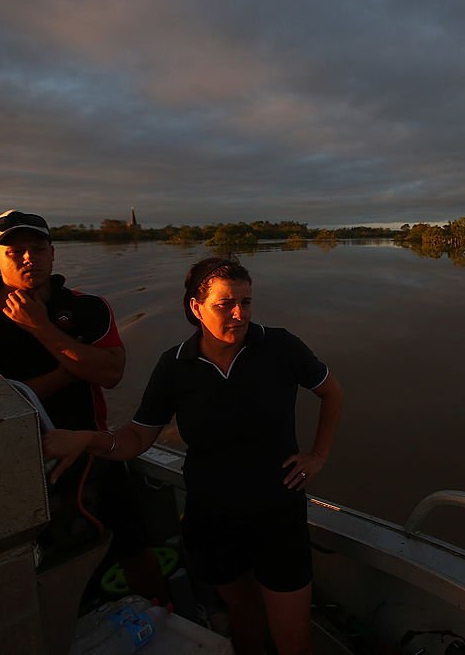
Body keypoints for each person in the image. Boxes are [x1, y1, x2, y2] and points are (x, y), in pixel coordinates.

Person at [43, 257, 344, 655]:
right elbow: (136, 438)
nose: (240, 314)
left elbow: (331, 392)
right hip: (212, 517)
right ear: (196, 307)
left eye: (247, 302)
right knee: (243, 614)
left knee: (292, 638)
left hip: (277, 515)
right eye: (225, 304)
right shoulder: (175, 366)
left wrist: (318, 455)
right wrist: (88, 440)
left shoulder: (279, 346)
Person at [0, 209, 167, 600]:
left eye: (38, 248)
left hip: (94, 452)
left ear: (53, 253)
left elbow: (111, 374)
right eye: (16, 251)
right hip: (13, 469)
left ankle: (162, 612)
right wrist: (75, 368)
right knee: (38, 569)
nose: (30, 258)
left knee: (135, 546)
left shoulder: (88, 308)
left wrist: (41, 328)